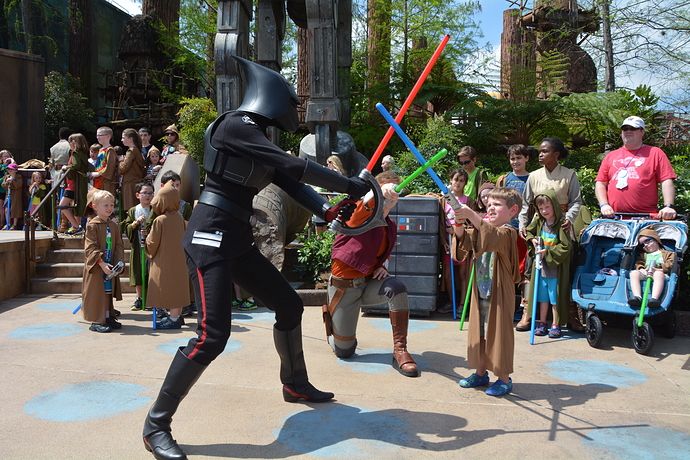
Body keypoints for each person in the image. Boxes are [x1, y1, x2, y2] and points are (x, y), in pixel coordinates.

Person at [142, 56, 370, 460]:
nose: (293, 111)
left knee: (289, 305)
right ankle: (156, 425)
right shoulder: (235, 125)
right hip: (210, 238)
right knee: (212, 336)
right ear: (272, 98)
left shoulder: (257, 138)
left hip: (236, 240)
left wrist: (326, 208)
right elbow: (292, 165)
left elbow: (290, 181)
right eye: (291, 102)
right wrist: (348, 184)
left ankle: (294, 384)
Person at [324, 171, 418, 377]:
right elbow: (367, 204)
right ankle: (335, 330)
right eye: (387, 191)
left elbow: (384, 251)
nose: (391, 196)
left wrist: (382, 266)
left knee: (397, 288)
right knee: (344, 351)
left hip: (368, 285)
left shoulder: (390, 225)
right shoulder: (359, 212)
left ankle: (400, 350)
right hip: (345, 289)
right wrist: (380, 191)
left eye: (395, 192)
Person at [452, 187, 522, 396]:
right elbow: (463, 243)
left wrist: (471, 214)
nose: (490, 208)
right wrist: (459, 222)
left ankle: (504, 379)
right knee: (479, 334)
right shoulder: (482, 227)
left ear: (513, 210)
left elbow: (493, 236)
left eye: (497, 205)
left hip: (499, 293)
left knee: (499, 336)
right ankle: (480, 373)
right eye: (489, 204)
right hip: (480, 292)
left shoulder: (508, 232)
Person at [516, 137, 584, 333]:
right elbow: (525, 203)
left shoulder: (570, 175)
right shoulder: (534, 176)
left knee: (566, 271)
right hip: (540, 227)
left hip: (562, 227)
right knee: (531, 269)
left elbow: (576, 201)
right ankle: (528, 313)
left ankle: (570, 315)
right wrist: (523, 224)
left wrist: (569, 218)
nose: (540, 154)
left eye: (545, 151)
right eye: (539, 151)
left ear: (556, 154)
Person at [596, 116, 677, 220]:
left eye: (633, 128)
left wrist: (668, 206)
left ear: (642, 132)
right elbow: (600, 183)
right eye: (625, 129)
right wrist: (604, 205)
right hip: (615, 218)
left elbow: (666, 180)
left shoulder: (655, 153)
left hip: (645, 218)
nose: (628, 131)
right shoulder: (611, 156)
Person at [525, 190, 573, 338]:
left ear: (555, 206)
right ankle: (542, 322)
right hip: (541, 269)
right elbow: (529, 231)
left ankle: (555, 324)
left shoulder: (561, 224)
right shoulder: (539, 221)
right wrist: (532, 239)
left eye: (547, 207)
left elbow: (566, 246)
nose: (544, 211)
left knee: (554, 299)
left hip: (555, 270)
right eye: (541, 208)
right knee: (543, 298)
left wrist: (547, 252)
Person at [146, 182, 189, 329]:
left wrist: (147, 241)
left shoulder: (160, 220)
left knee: (167, 288)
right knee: (177, 288)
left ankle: (173, 319)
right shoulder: (180, 218)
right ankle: (177, 316)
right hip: (180, 260)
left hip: (163, 261)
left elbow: (152, 243)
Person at [81, 189, 123, 333]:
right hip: (97, 266)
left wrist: (120, 262)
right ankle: (97, 320)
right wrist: (101, 263)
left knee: (107, 292)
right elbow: (90, 247)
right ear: (95, 207)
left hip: (110, 265)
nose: (109, 208)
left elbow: (118, 245)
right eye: (106, 205)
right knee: (96, 294)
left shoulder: (113, 225)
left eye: (111, 205)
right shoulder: (92, 225)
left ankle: (107, 316)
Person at [437, 168, 475, 314]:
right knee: (447, 275)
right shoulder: (443, 200)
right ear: (450, 180)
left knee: (463, 274)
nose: (458, 183)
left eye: (461, 181)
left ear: (465, 183)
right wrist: (443, 240)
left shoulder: (469, 201)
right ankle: (452, 302)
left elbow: (471, 223)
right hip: (448, 241)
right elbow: (441, 222)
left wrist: (458, 230)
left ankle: (462, 304)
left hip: (462, 240)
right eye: (455, 180)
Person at [122, 182, 154, 311]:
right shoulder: (133, 210)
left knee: (151, 271)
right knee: (137, 270)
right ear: (137, 195)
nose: (147, 196)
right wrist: (135, 223)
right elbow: (127, 227)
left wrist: (149, 231)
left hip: (151, 246)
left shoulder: (155, 210)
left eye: (150, 193)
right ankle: (139, 298)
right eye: (144, 193)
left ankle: (151, 298)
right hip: (137, 244)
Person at [628, 226, 675, 308]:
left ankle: (654, 298)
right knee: (634, 273)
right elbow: (639, 263)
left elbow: (670, 264)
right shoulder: (643, 255)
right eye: (642, 245)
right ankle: (637, 297)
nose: (645, 245)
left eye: (647, 241)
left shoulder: (668, 254)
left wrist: (660, 269)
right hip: (646, 273)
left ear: (656, 240)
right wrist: (642, 269)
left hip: (661, 273)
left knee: (658, 274)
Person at [59, 133, 93, 235]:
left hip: (72, 185)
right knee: (77, 206)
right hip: (79, 185)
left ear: (74, 143)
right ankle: (76, 227)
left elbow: (76, 165)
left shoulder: (75, 153)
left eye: (70, 142)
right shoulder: (83, 154)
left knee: (62, 205)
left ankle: (76, 226)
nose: (69, 144)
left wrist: (66, 167)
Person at [119, 128, 145, 212]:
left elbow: (123, 167)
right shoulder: (137, 150)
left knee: (130, 208)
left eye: (123, 137)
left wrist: (120, 162)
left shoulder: (131, 151)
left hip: (129, 183)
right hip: (135, 182)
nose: (121, 140)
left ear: (130, 139)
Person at [91, 127, 119, 197]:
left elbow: (110, 167)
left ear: (108, 136)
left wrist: (99, 173)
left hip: (105, 182)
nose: (97, 137)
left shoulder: (110, 150)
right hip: (98, 181)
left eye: (100, 135)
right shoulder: (100, 149)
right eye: (97, 135)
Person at [2, 163, 22, 229]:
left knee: (15, 209)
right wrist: (7, 182)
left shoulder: (18, 177)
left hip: (15, 196)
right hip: (8, 196)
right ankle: (8, 223)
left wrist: (12, 181)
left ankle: (14, 224)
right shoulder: (7, 177)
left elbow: (17, 185)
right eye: (8, 169)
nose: (10, 170)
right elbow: (4, 185)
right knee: (6, 210)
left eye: (12, 169)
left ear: (16, 170)